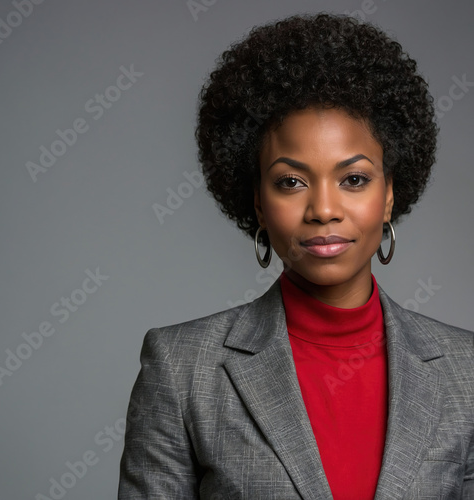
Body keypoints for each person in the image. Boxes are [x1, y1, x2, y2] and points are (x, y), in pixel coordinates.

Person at [118, 13, 474, 499]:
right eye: (291, 182)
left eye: (354, 179)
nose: (324, 209)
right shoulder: (182, 369)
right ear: (259, 203)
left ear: (389, 194)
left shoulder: (465, 372)